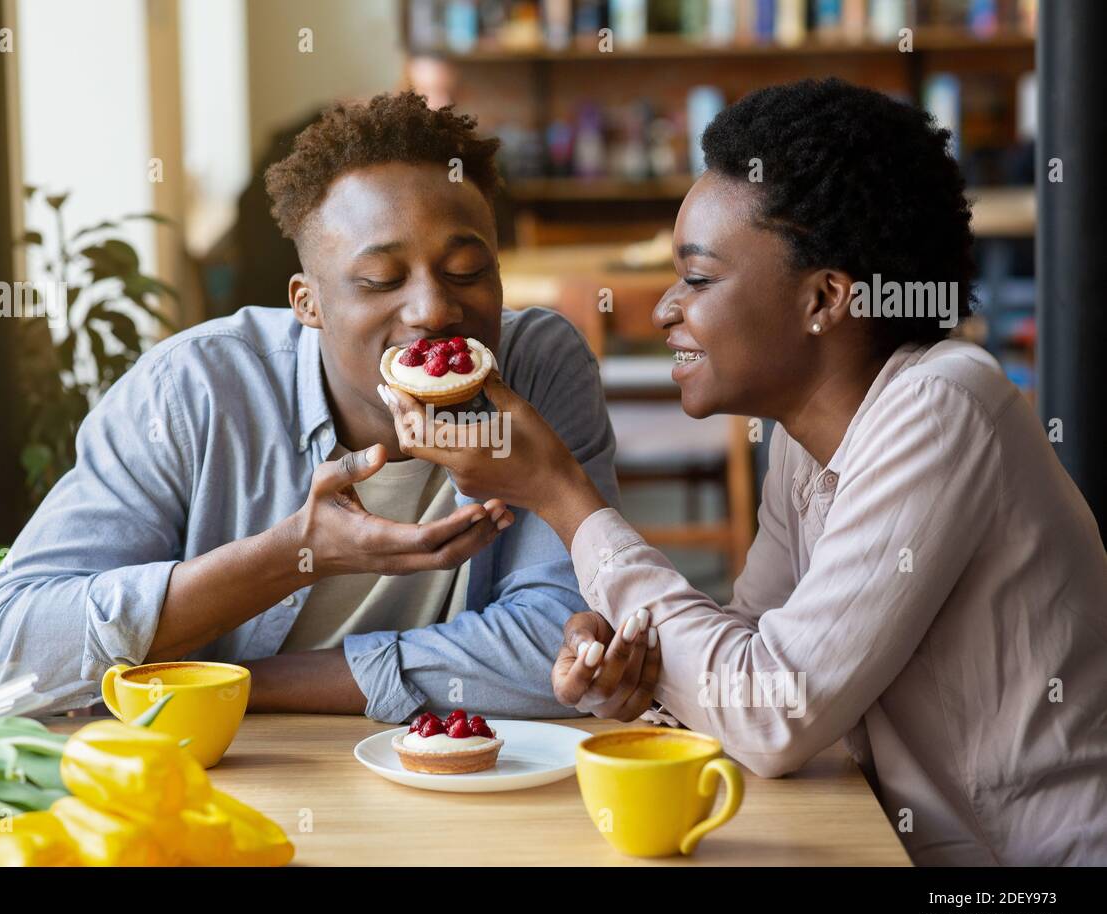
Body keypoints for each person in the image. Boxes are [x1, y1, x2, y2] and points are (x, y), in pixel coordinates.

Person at [379, 78, 1107, 865]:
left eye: (696, 279)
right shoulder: (806, 437)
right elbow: (753, 656)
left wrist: (561, 493)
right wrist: (642, 675)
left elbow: (774, 713)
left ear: (824, 298)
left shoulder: (943, 405)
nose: (663, 310)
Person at [0, 91, 618, 724]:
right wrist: (292, 554)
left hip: (453, 780)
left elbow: (564, 649)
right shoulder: (190, 391)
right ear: (308, 303)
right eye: (381, 281)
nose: (434, 311)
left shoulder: (537, 368)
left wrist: (249, 685)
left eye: (468, 271)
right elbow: (1, 658)